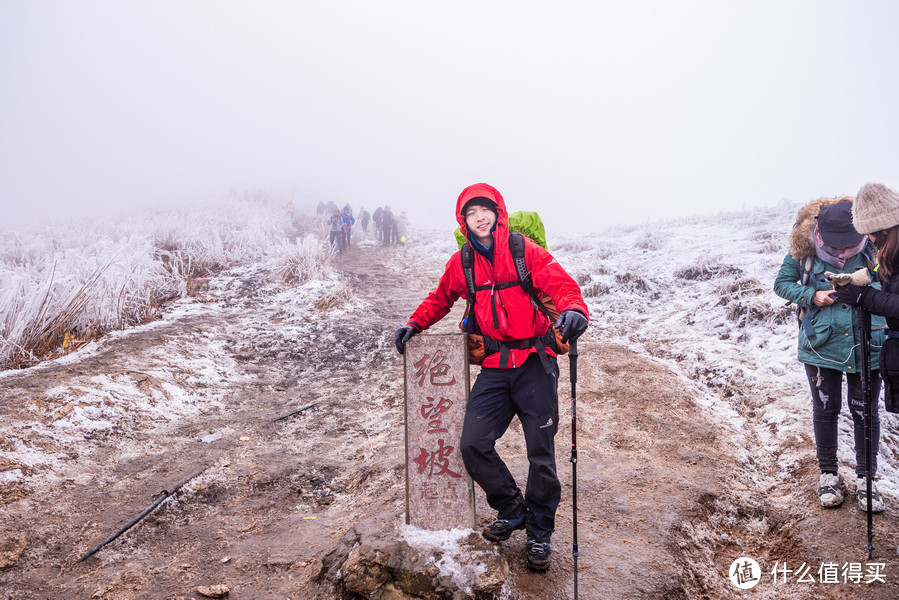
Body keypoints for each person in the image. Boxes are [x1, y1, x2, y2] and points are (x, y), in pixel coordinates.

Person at [394, 183, 589, 571]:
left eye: (485, 210)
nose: (479, 217)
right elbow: (440, 298)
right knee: (472, 444)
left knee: (541, 454)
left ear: (498, 212)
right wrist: (414, 324)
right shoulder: (462, 262)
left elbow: (560, 284)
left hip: (536, 362)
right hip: (496, 367)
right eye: (471, 213)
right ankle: (512, 507)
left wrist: (575, 310)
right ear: (463, 221)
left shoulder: (523, 250)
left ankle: (539, 532)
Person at [774, 198, 886, 511]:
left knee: (866, 412)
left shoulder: (877, 249)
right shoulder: (804, 250)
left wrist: (869, 292)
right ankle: (828, 475)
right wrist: (811, 295)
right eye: (834, 247)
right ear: (820, 233)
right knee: (826, 409)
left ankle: (867, 480)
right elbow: (782, 284)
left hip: (869, 344)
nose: (840, 254)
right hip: (820, 346)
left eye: (848, 247)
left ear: (862, 235)